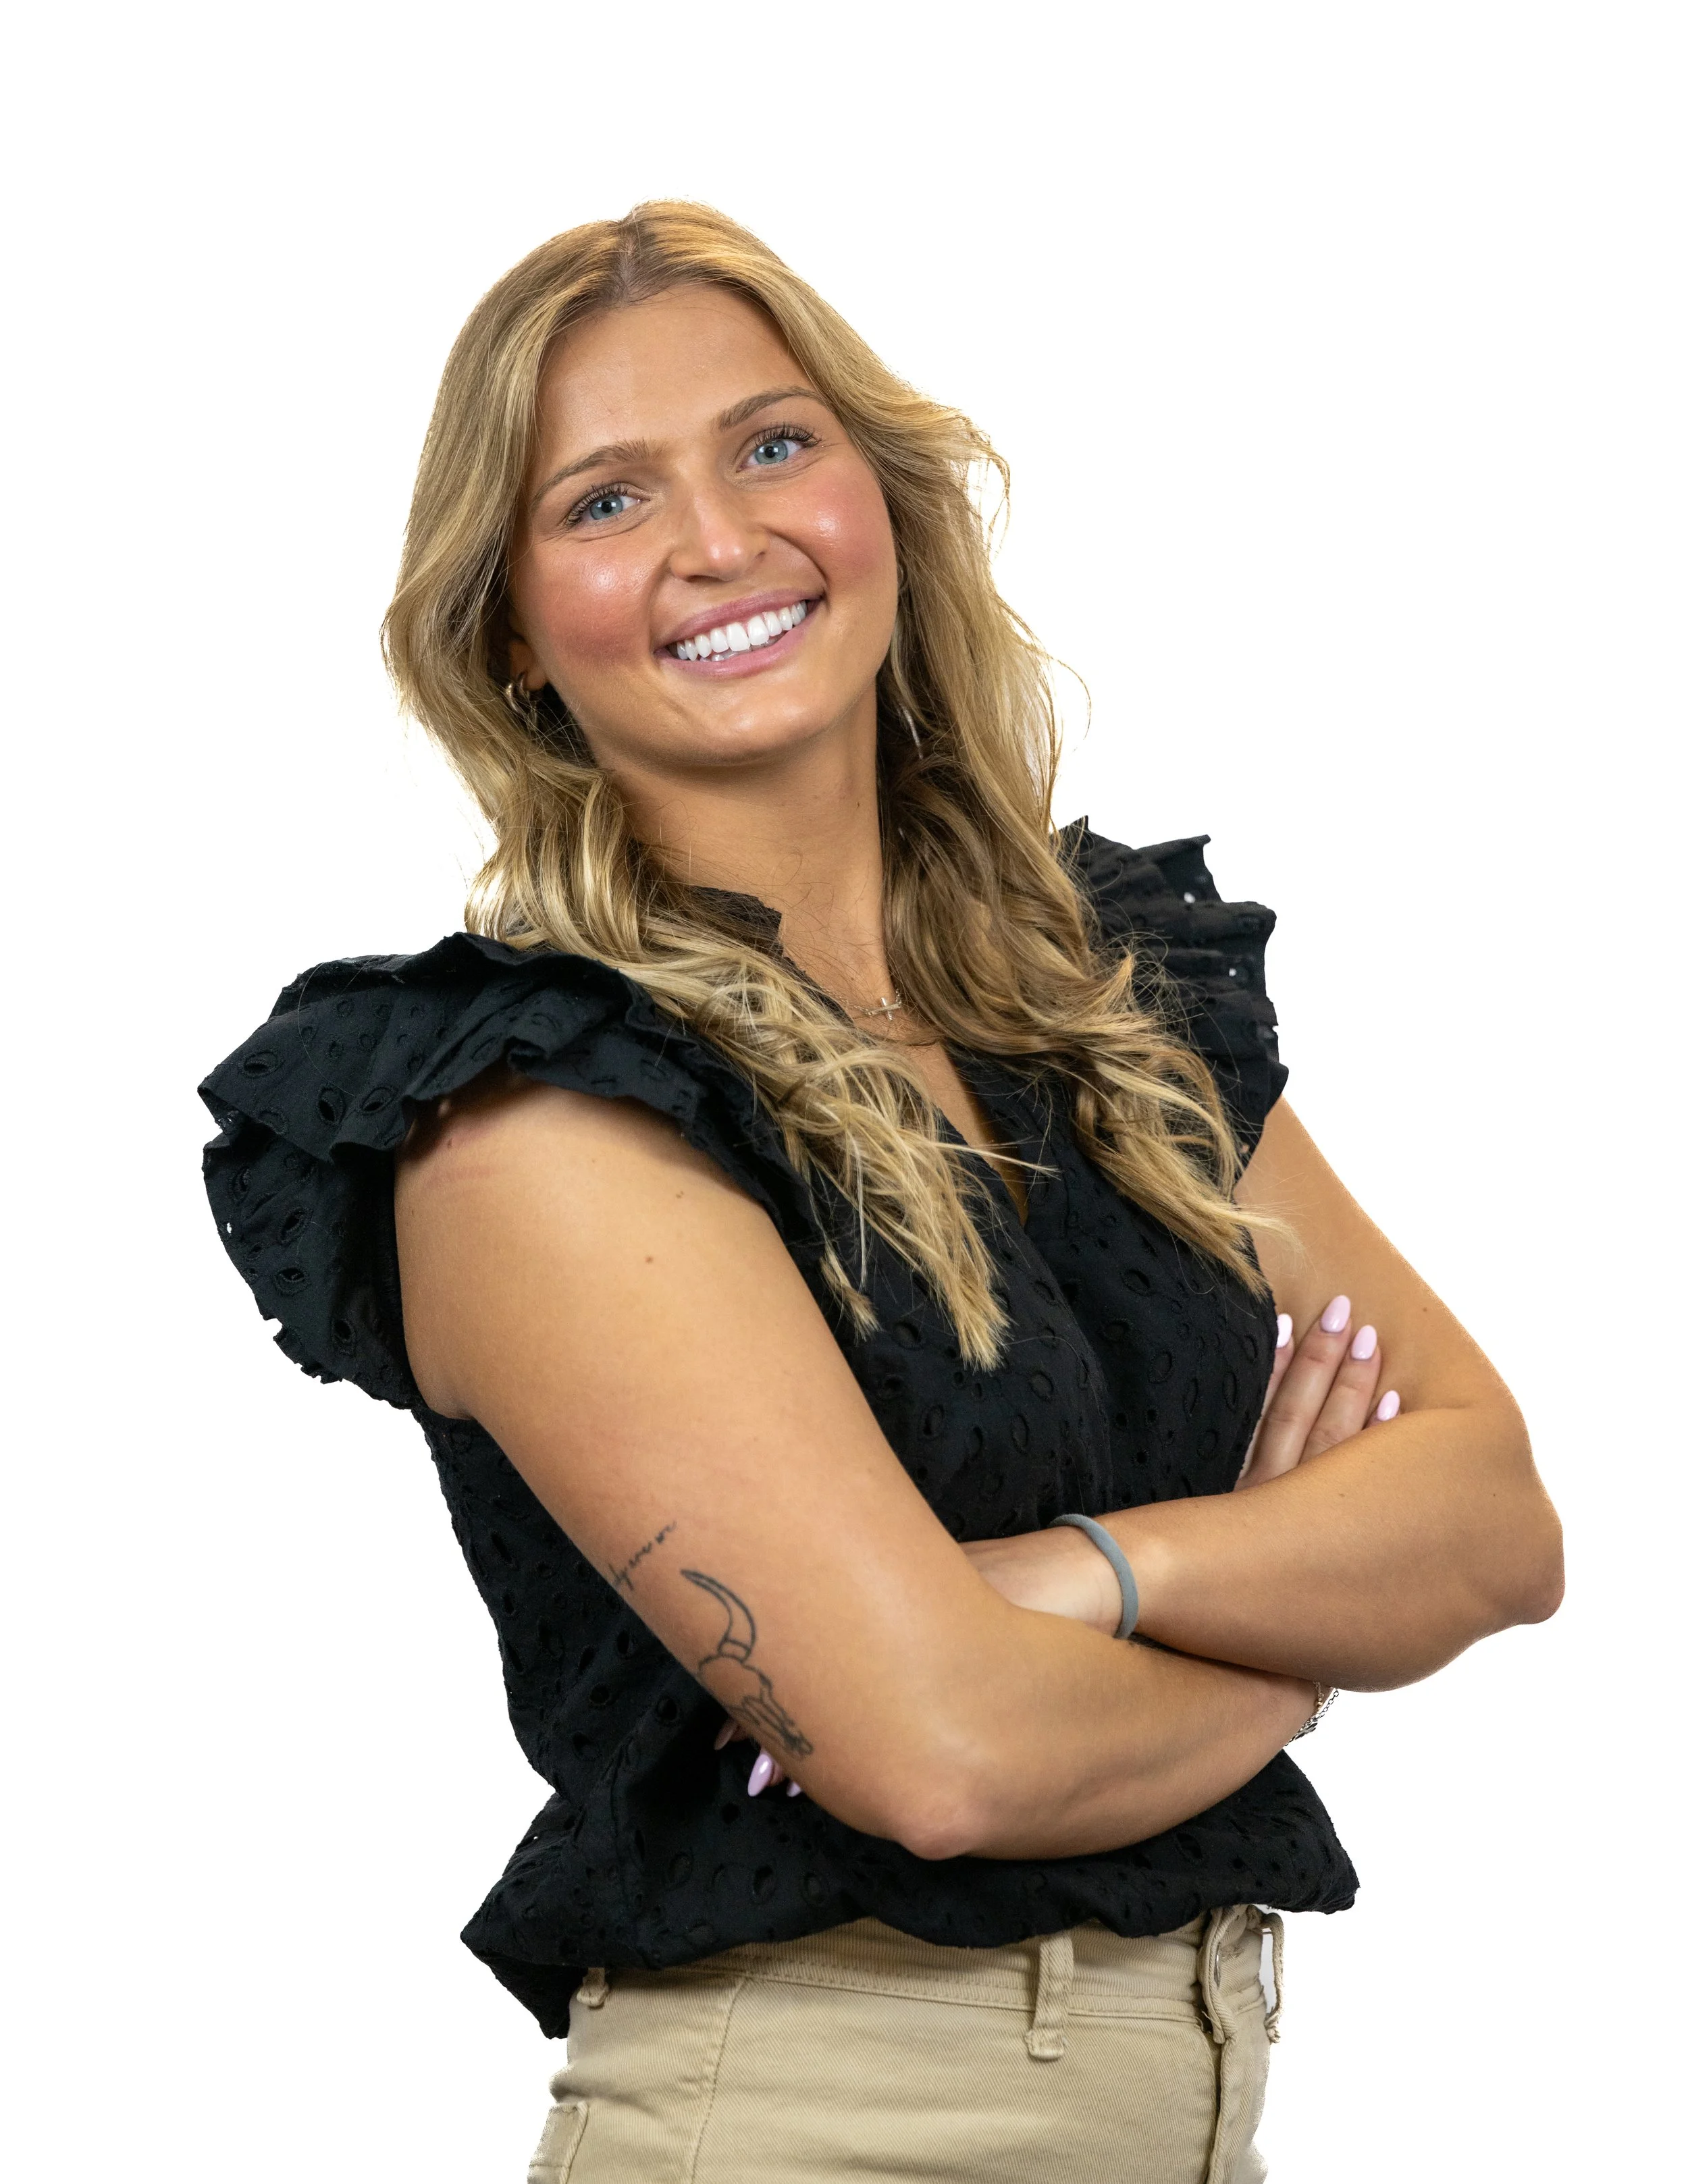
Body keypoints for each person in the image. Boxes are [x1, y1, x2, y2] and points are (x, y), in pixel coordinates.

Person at [199, 202, 1563, 2183]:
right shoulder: (537, 1112)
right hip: (816, 2126)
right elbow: (942, 1757)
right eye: (602, 500)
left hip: (1197, 2106)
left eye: (771, 445)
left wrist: (1096, 1578)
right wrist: (1302, 1621)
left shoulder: (1098, 999)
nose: (716, 543)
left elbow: (1494, 1513)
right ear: (507, 626)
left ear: (881, 497)